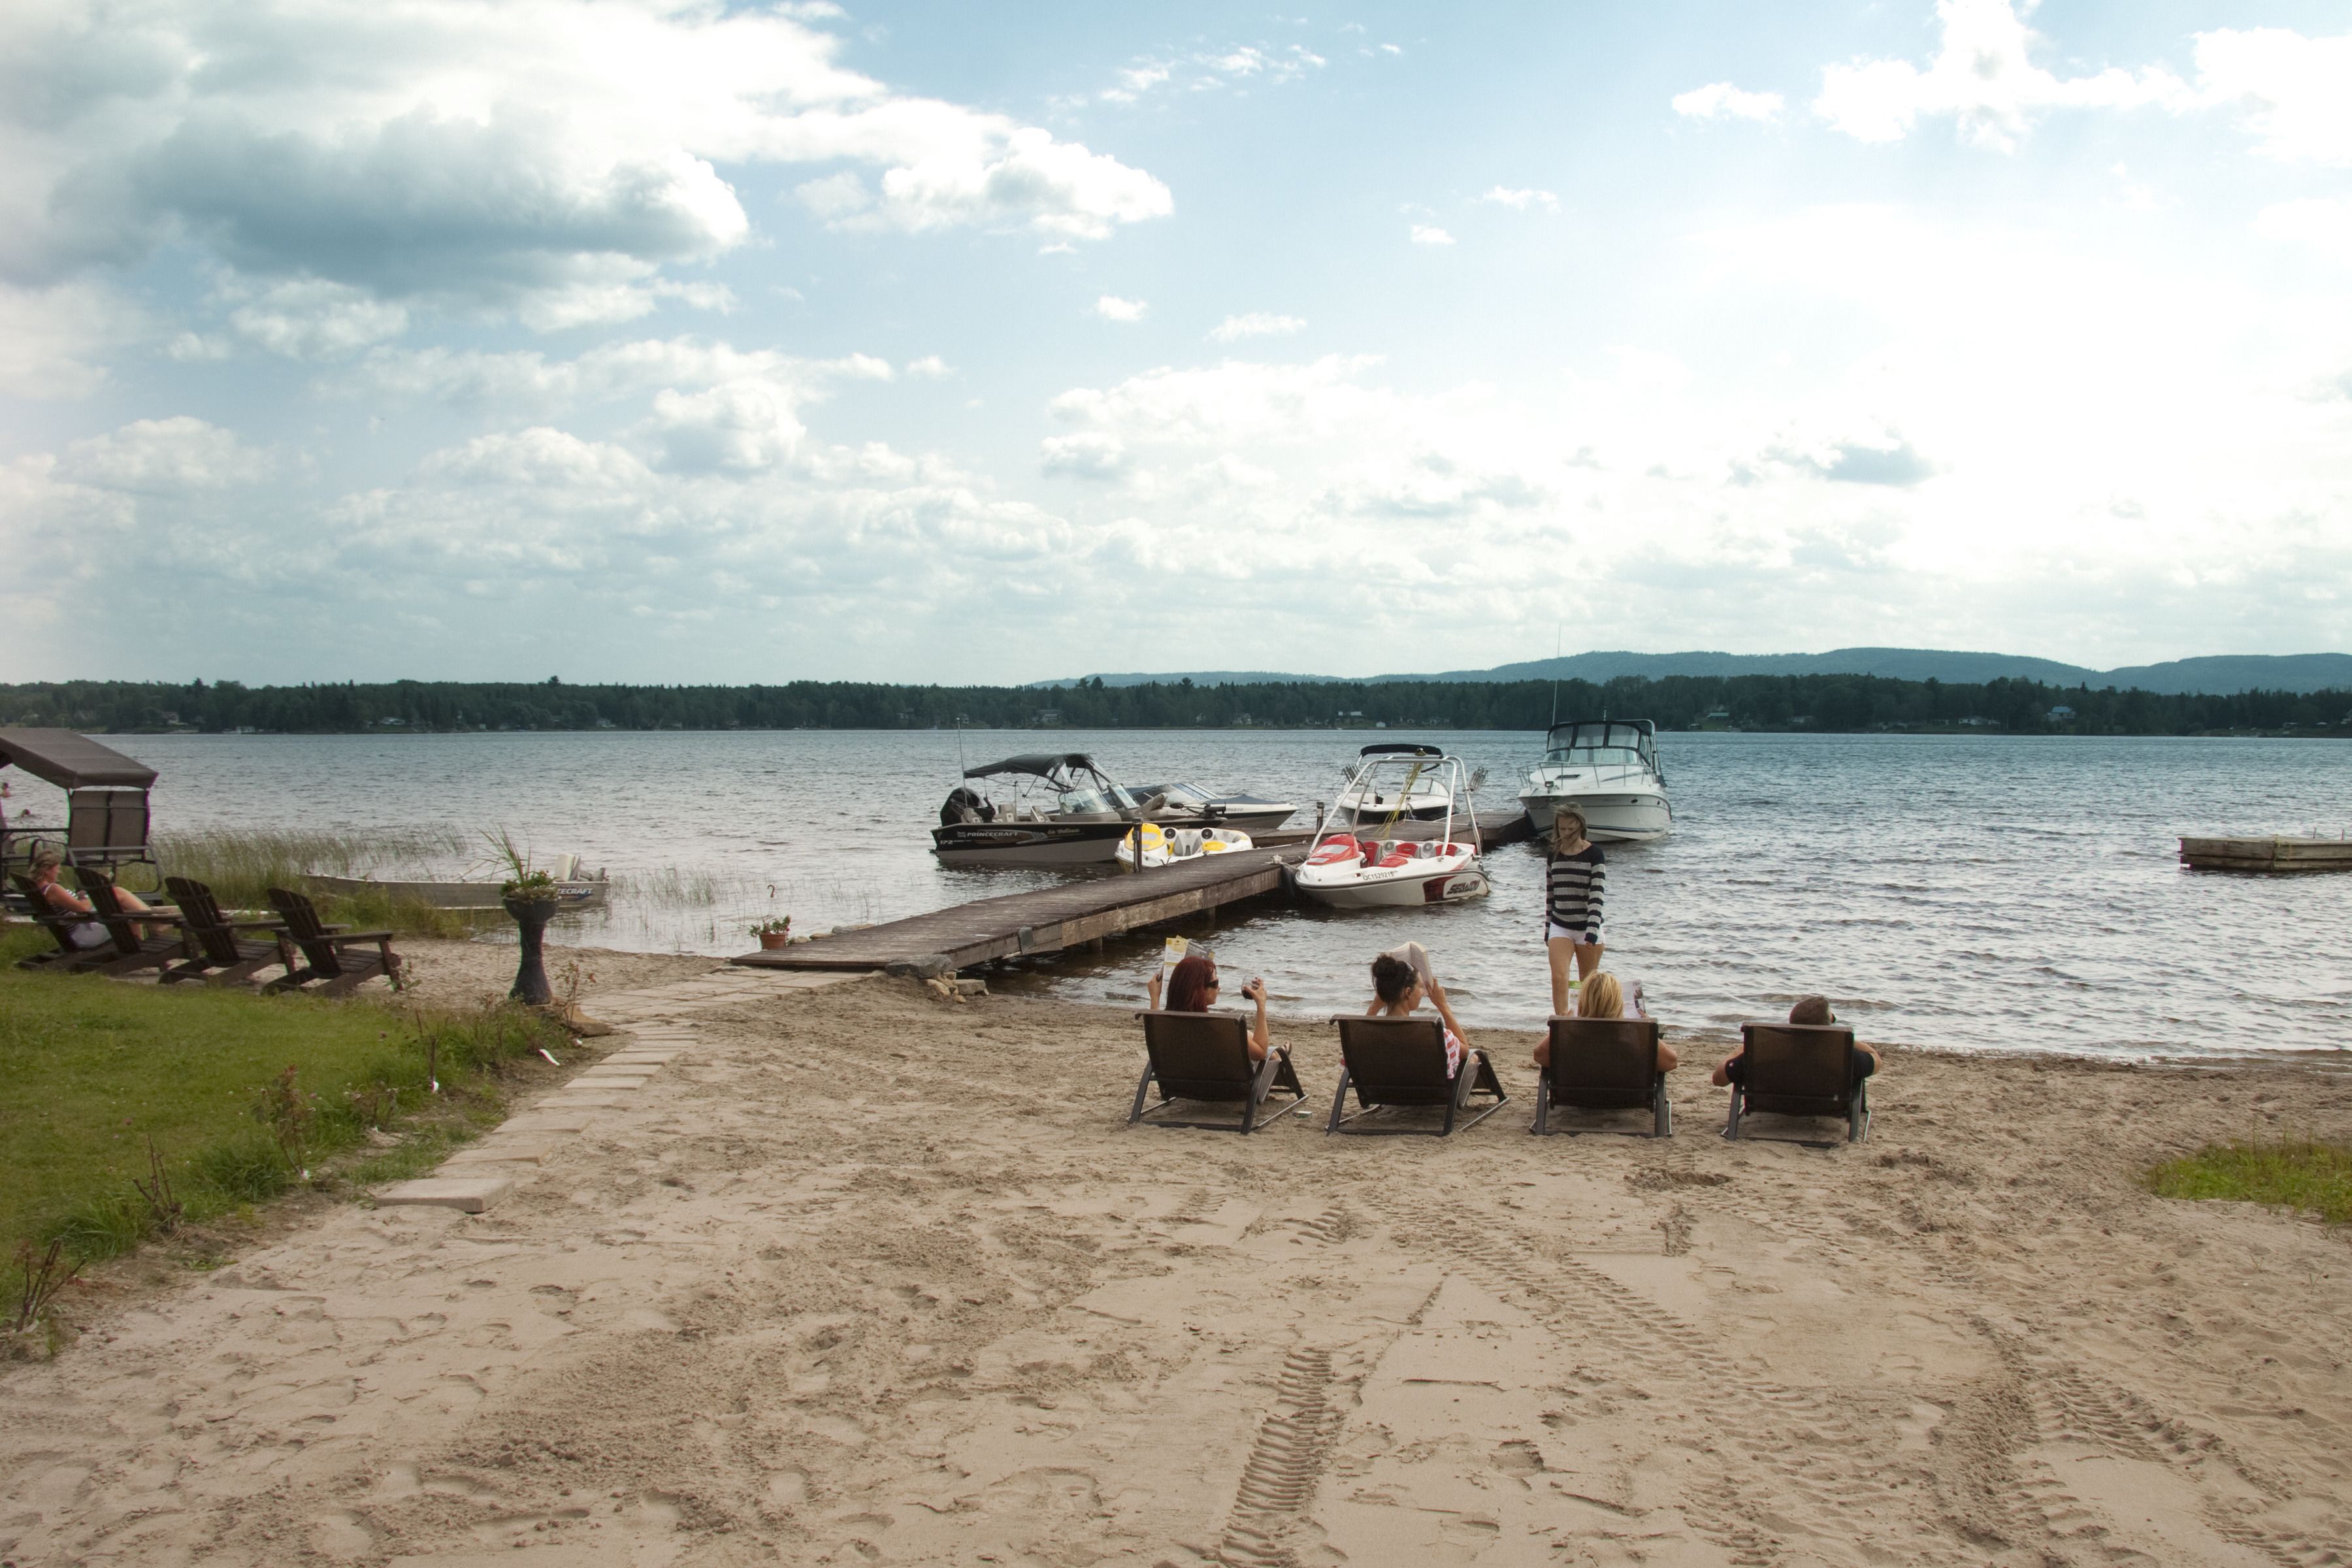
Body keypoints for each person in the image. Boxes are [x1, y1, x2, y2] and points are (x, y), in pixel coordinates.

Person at [1711, 994, 1879, 1087]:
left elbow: (1718, 1079)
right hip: (1827, 1107)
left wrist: (1743, 1049)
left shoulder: (1766, 1055)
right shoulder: (1843, 1058)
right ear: (1828, 1029)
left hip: (1775, 1106)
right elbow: (1875, 1058)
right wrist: (1839, 1036)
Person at [1533, 970, 1678, 1073]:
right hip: (1627, 1098)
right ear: (1619, 1003)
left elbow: (1539, 1056)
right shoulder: (1634, 1037)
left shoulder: (1569, 1036)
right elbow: (1671, 1062)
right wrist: (1647, 1030)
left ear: (1583, 1002)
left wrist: (1562, 1025)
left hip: (1575, 1096)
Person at [1147, 952, 1274, 1062]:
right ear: (1199, 990)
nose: (1219, 988)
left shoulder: (1163, 1029)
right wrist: (1261, 1004)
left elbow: (1155, 1024)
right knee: (1272, 1055)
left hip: (1177, 1089)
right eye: (1215, 983)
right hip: (1223, 1089)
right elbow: (1261, 1053)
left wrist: (1155, 998)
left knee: (1252, 1039)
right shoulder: (1221, 1028)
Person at [27, 848, 164, 947]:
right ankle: (153, 923)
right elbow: (83, 909)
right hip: (82, 936)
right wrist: (94, 892)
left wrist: (82, 896)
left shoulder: (40, 888)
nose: (59, 872)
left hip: (75, 931)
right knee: (118, 893)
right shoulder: (53, 889)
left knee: (120, 902)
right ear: (46, 870)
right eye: (57, 869)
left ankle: (139, 942)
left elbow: (73, 905)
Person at [1367, 947, 1471, 1077]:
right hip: (1427, 1096)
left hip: (1381, 1095)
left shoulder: (1366, 1036)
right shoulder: (1433, 1033)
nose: (1422, 992)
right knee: (1473, 1059)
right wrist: (1443, 1006)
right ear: (1408, 992)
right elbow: (1465, 1050)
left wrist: (1373, 1008)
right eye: (1421, 987)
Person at [1544, 805, 1606, 1015]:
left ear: (1580, 826)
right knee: (1559, 977)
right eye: (1562, 829)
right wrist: (1547, 929)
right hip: (1560, 924)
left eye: (1571, 829)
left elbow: (1597, 895)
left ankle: (1585, 1021)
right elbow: (1550, 894)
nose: (1567, 834)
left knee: (1586, 982)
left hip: (1587, 926)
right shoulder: (1553, 854)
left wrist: (1592, 930)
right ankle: (1561, 1022)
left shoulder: (1595, 855)